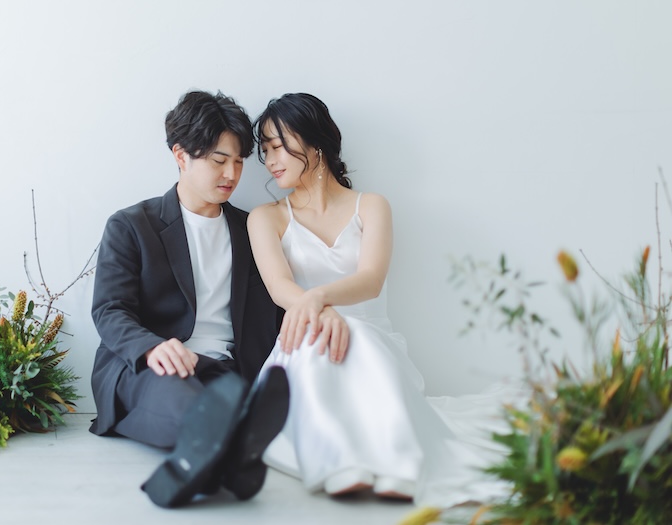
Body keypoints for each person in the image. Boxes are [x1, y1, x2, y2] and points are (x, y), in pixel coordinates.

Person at [248, 93, 513, 508]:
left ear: (315, 142)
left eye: (278, 146)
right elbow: (280, 287)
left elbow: (370, 281)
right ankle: (335, 463)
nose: (270, 160)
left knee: (358, 338)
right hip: (303, 339)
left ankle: (398, 465)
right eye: (265, 150)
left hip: (372, 342)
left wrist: (319, 298)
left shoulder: (371, 206)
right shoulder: (266, 217)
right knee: (316, 342)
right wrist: (321, 313)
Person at [89, 90, 289, 509]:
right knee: (189, 400)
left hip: (223, 370)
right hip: (149, 367)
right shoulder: (131, 226)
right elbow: (110, 309)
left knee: (227, 398)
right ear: (181, 155)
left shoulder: (252, 229)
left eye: (239, 161)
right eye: (219, 160)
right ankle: (237, 453)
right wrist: (152, 347)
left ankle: (204, 464)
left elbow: (274, 306)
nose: (232, 174)